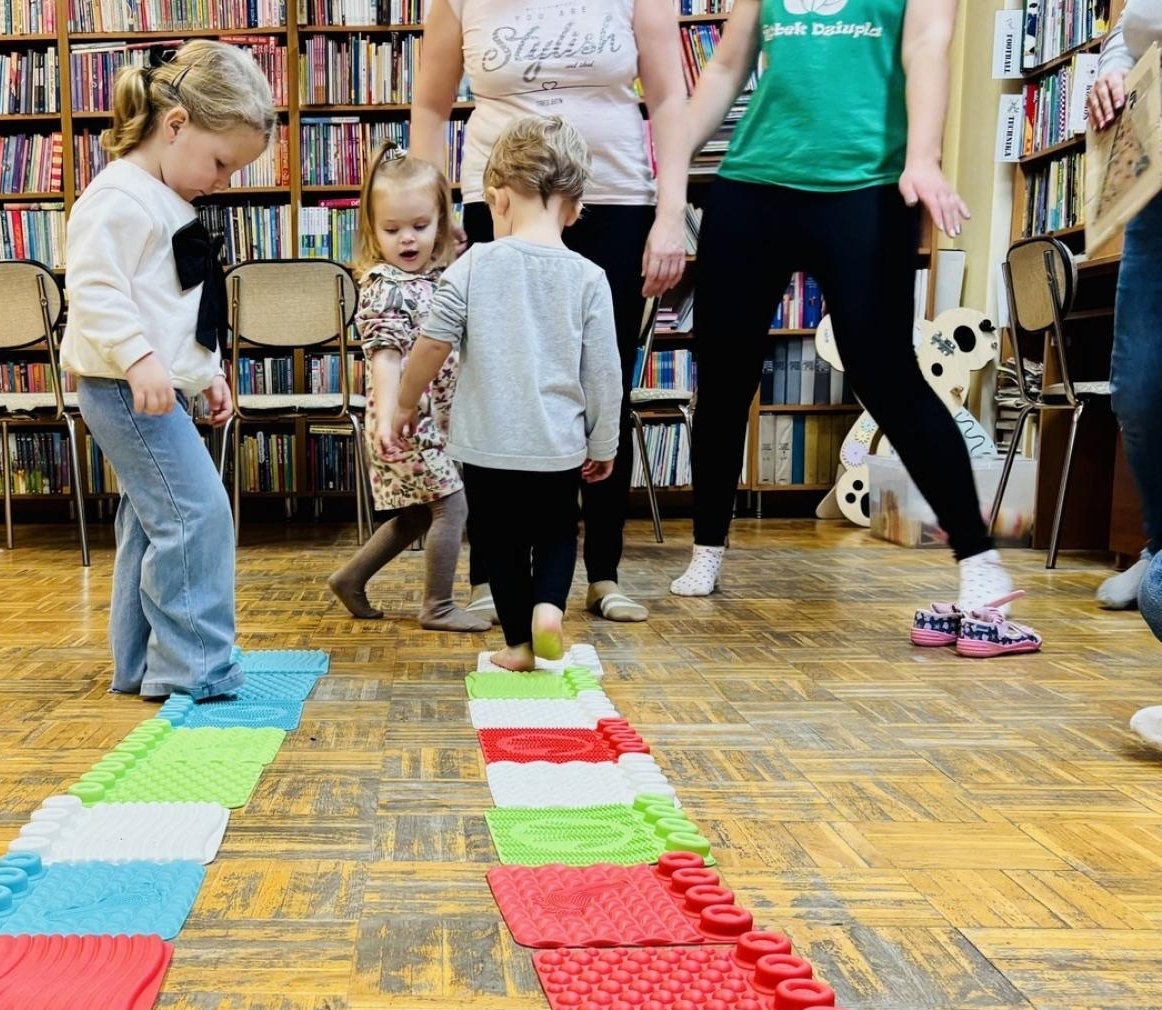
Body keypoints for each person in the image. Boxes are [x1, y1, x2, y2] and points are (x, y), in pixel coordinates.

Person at [652, 0, 1036, 653]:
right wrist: (669, 192)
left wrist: (922, 155)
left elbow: (927, 48)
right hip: (754, 182)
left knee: (885, 374)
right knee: (721, 375)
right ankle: (707, 548)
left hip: (866, 184)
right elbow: (722, 69)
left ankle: (980, 567)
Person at [411, 0, 687, 625]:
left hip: (613, 199)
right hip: (499, 204)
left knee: (602, 382)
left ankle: (604, 572)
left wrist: (672, 213)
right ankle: (491, 574)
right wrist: (439, 213)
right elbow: (430, 108)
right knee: (492, 379)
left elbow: (670, 100)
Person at [62, 41, 275, 698]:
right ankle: (194, 669)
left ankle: (138, 666)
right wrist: (140, 358)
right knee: (198, 515)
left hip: (151, 388)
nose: (223, 179)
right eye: (220, 161)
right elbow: (95, 288)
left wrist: (202, 371)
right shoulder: (119, 197)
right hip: (124, 388)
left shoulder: (166, 200)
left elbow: (179, 305)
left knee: (151, 524)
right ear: (175, 124)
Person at [382, 116, 621, 670]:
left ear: (498, 200)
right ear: (576, 207)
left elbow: (431, 345)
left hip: (487, 446)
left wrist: (402, 403)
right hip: (557, 446)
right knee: (558, 533)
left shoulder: (473, 266)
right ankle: (548, 611)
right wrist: (602, 441)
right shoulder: (588, 276)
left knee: (502, 544)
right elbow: (604, 372)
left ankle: (517, 645)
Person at [326, 145, 489, 632]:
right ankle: (437, 606)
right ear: (372, 232)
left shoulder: (434, 276)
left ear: (442, 222)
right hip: (406, 418)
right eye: (392, 230)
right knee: (452, 504)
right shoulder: (385, 285)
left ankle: (350, 578)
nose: (408, 239)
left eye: (420, 226)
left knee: (419, 514)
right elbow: (385, 354)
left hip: (431, 420)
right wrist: (388, 415)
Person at [1089, 0, 1162, 743]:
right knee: (1137, 386)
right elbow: (1126, 34)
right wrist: (1110, 75)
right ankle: (1159, 548)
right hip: (1154, 181)